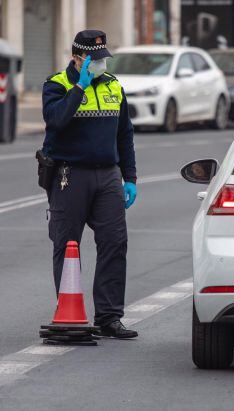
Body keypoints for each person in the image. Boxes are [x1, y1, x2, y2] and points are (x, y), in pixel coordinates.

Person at [41, 30, 138, 339]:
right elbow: (56, 121)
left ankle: (109, 317)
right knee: (67, 244)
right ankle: (69, 311)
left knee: (114, 242)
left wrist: (131, 177)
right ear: (77, 58)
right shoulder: (57, 85)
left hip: (108, 175)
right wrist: (80, 86)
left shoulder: (114, 86)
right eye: (93, 61)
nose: (99, 65)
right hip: (70, 175)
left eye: (102, 59)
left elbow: (125, 135)